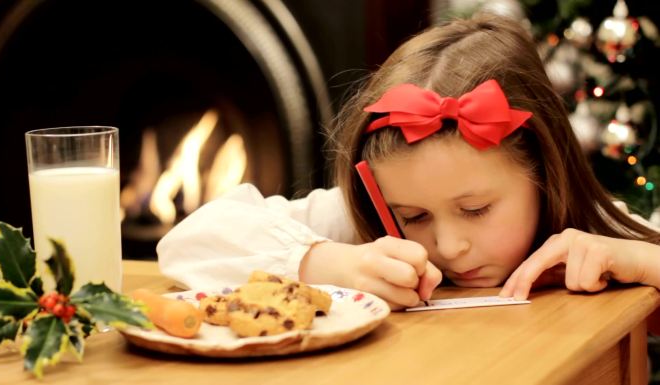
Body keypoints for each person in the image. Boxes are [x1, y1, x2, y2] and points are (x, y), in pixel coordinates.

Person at [157, 14, 660, 310]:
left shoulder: (591, 240)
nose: (448, 246)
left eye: (477, 208)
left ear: (544, 174)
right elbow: (186, 243)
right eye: (414, 217)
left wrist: (640, 258)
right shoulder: (363, 229)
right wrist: (326, 262)